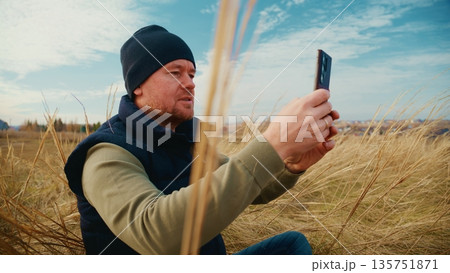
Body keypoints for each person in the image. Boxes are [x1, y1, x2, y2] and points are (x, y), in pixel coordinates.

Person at [64, 25, 339, 255]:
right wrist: (271, 143)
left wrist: (290, 163)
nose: (191, 83)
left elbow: (253, 187)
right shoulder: (107, 152)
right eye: (175, 73)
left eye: (192, 74)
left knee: (291, 246)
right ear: (138, 84)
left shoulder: (188, 140)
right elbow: (156, 233)